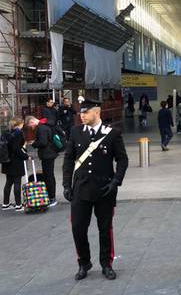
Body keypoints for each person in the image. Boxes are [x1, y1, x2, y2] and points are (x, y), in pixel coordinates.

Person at [62, 97, 128, 281]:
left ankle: (106, 264)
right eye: (80, 112)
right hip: (80, 189)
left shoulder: (112, 134)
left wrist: (116, 181)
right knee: (77, 228)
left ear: (96, 112)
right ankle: (84, 262)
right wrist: (67, 184)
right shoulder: (75, 132)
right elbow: (68, 159)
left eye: (86, 112)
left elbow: (122, 160)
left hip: (104, 189)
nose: (82, 115)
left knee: (105, 229)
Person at [26, 115, 59, 207]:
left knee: (49, 176)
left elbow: (43, 142)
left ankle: (52, 197)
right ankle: (52, 196)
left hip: (47, 155)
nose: (32, 128)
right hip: (50, 154)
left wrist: (34, 143)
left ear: (32, 122)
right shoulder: (44, 126)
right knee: (49, 176)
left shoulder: (41, 128)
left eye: (31, 126)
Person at [1, 117, 29, 212]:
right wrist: (26, 156)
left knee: (8, 182)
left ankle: (5, 204)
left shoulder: (5, 133)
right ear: (18, 124)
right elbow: (17, 149)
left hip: (6, 161)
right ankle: (18, 205)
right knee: (17, 182)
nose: (23, 126)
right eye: (22, 124)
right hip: (16, 162)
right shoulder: (18, 134)